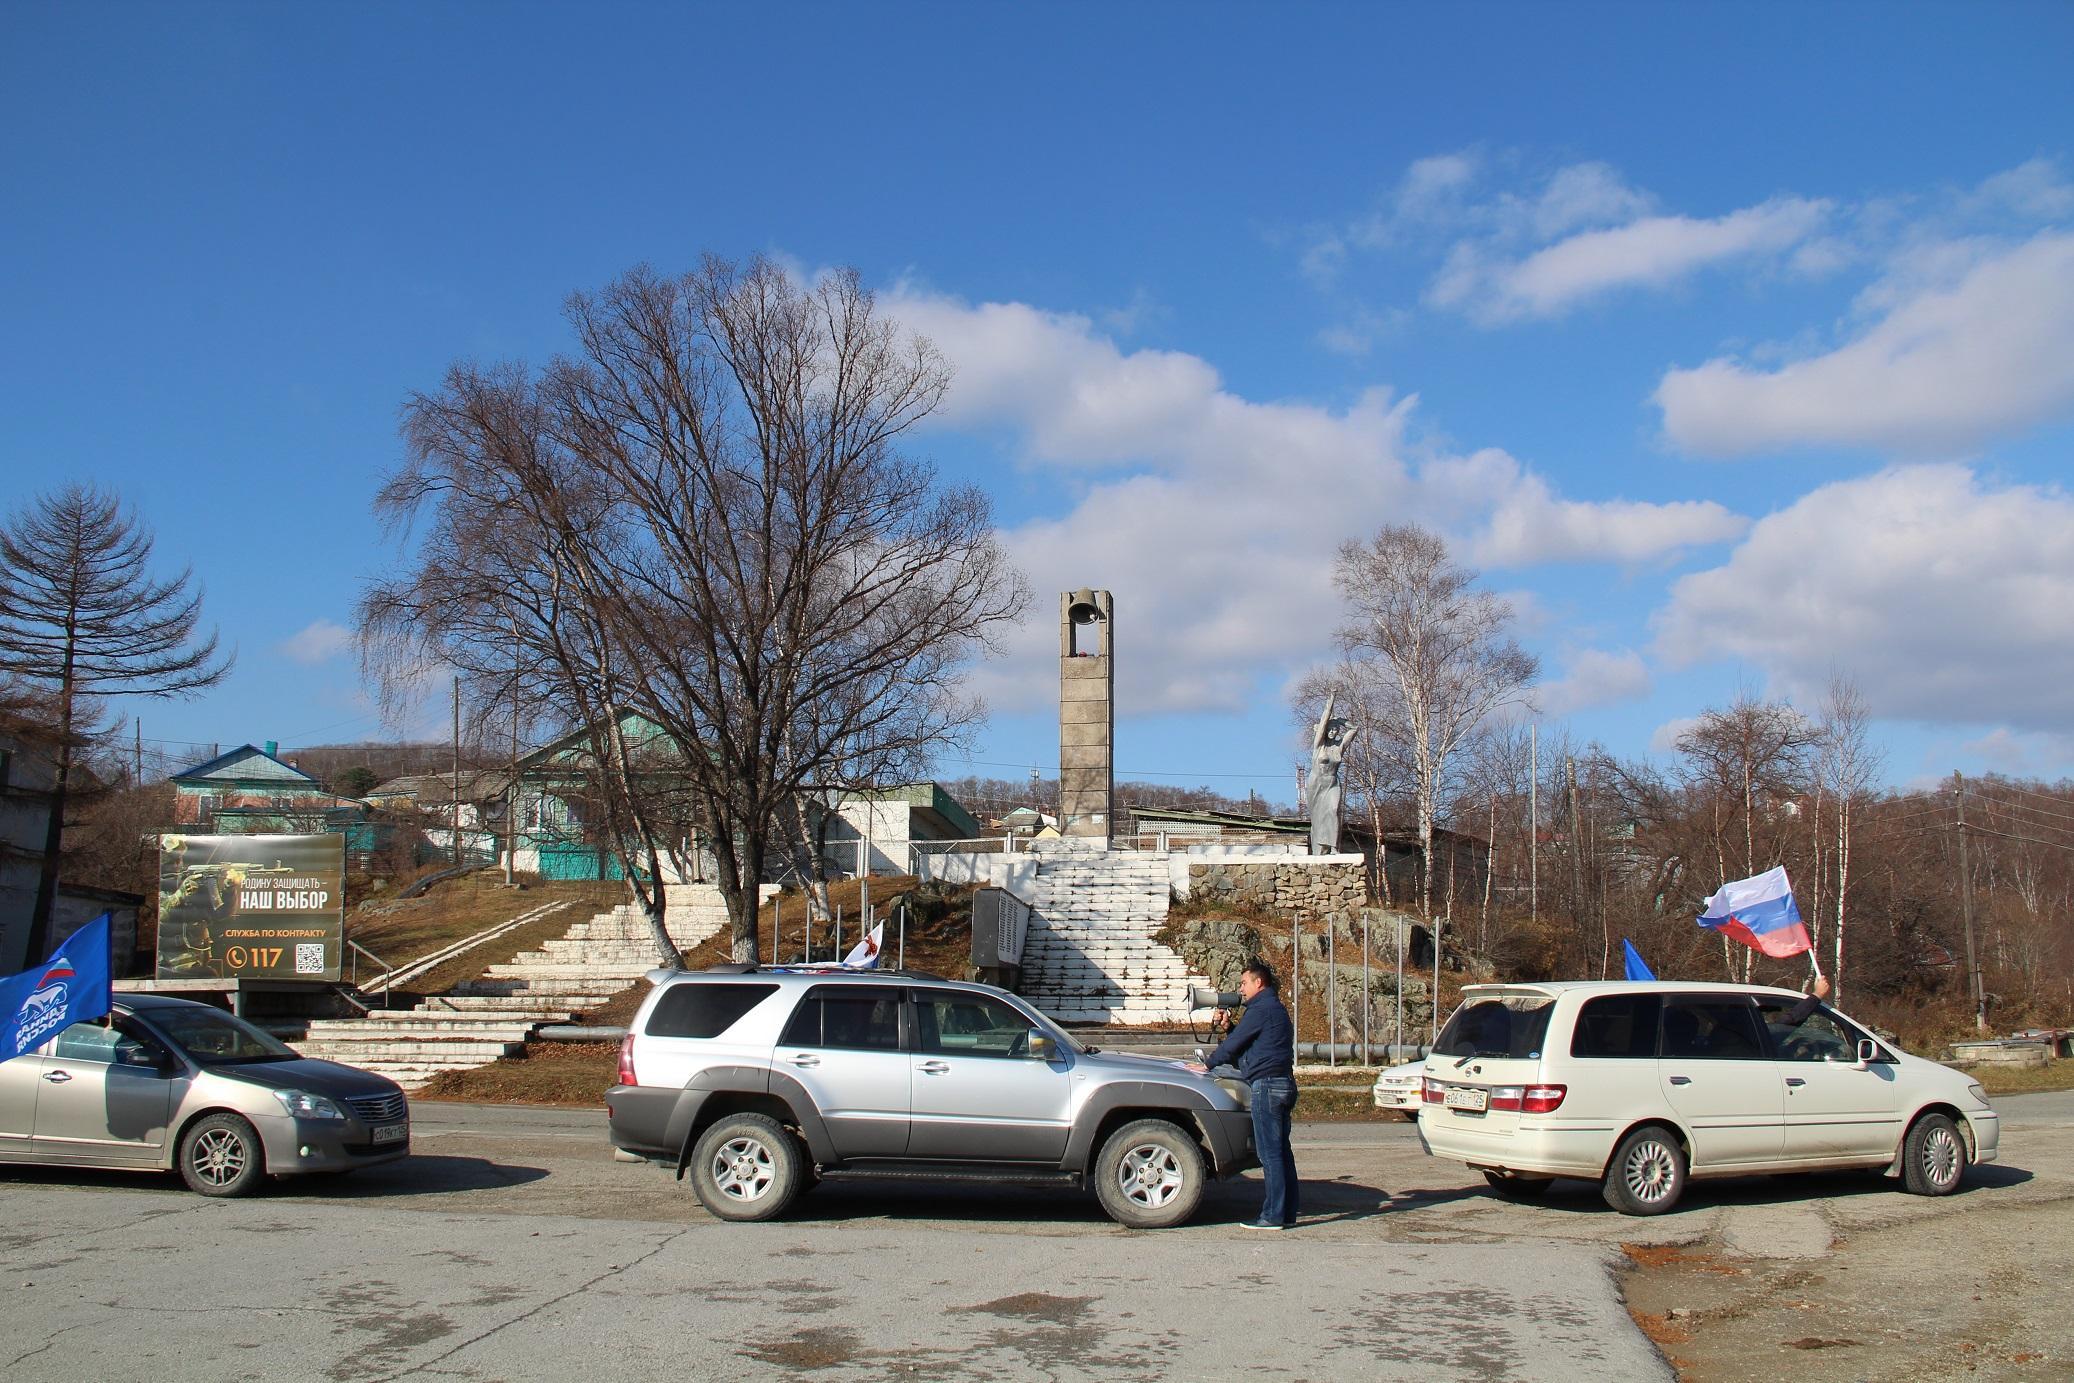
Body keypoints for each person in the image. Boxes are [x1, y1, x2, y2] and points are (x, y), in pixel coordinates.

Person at [1187, 960, 1298, 1229]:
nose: (1241, 989)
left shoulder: (1261, 1009)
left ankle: (1272, 1216)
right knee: (1282, 1152)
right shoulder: (1273, 1009)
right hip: (1282, 1083)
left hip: (1267, 1087)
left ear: (1258, 983)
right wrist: (1228, 1028)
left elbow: (1236, 1046)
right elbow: (1250, 1047)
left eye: (1244, 983)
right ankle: (1287, 1212)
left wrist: (1209, 1063)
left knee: (1270, 1154)